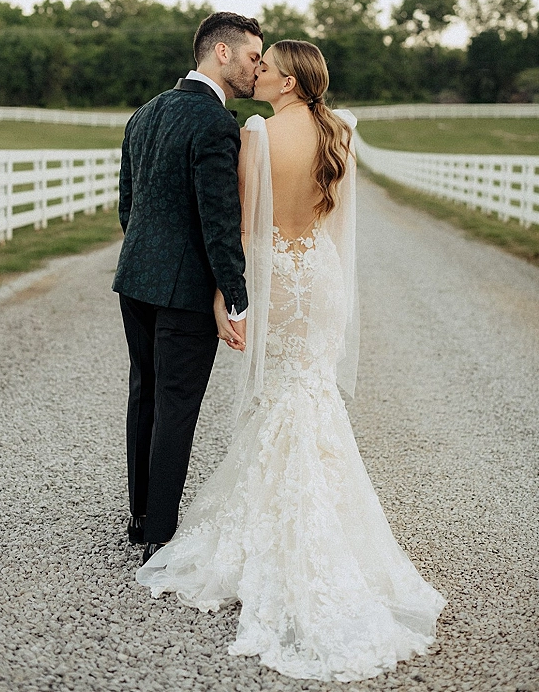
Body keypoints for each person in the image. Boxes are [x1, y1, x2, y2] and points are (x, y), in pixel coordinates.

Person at [136, 40, 446, 683]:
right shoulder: (339, 132)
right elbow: (333, 223)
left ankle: (279, 527)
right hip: (321, 274)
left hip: (277, 274)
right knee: (312, 391)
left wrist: (230, 295)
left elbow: (244, 226)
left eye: (268, 67)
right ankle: (329, 523)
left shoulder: (257, 133)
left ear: (290, 83)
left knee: (281, 395)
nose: (259, 73)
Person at [113, 12, 263, 564]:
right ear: (221, 53)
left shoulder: (144, 112)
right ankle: (160, 531)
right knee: (177, 402)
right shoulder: (216, 123)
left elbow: (128, 205)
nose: (258, 68)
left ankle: (140, 515)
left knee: (145, 392)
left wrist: (149, 256)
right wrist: (235, 293)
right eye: (252, 56)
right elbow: (218, 221)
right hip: (184, 289)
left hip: (136, 279)